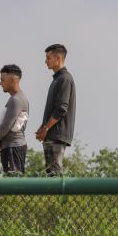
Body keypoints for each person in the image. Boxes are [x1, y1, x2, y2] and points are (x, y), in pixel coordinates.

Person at [35, 44, 76, 176]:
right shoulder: (57, 79)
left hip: (56, 135)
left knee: (55, 173)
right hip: (51, 135)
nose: (46, 61)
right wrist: (42, 127)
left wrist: (46, 128)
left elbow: (61, 109)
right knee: (50, 172)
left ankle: (60, 197)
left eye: (48, 57)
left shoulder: (64, 79)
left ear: (58, 58)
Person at [0, 64, 30, 176]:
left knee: (13, 182)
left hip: (13, 147)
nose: (0, 83)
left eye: (2, 80)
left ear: (13, 80)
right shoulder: (17, 98)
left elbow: (6, 126)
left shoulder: (16, 99)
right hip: (12, 146)